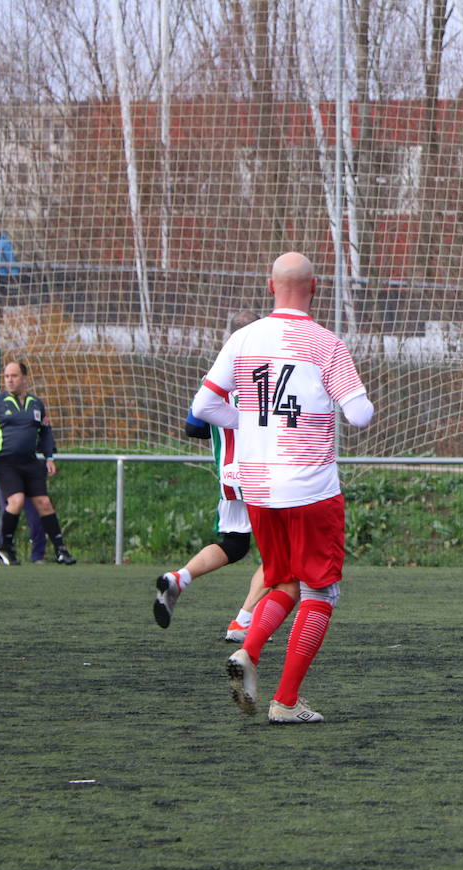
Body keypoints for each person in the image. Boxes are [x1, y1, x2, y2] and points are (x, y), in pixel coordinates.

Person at [191, 252, 373, 724]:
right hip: (311, 490)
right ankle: (286, 702)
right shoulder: (326, 344)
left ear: (271, 287)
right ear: (315, 287)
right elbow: (360, 414)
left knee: (282, 580)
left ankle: (248, 650)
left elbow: (204, 405)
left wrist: (248, 423)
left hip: (260, 491)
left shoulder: (243, 338)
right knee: (321, 592)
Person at [153, 310, 271, 642]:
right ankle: (243, 621)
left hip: (229, 475)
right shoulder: (265, 373)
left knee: (233, 545)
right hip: (260, 473)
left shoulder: (219, 374)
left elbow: (193, 425)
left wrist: (225, 432)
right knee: (280, 554)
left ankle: (180, 578)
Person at [0, 360, 76, 566]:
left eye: (14, 376)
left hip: (31, 462)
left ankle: (60, 550)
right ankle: (5, 547)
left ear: (25, 378)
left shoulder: (36, 404)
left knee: (44, 503)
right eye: (6, 376)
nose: (10, 380)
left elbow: (46, 432)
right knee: (17, 501)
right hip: (5, 462)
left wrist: (49, 457)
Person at [0, 492, 46, 562]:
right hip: (8, 483)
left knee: (35, 517)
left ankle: (38, 555)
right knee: (7, 516)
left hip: (30, 484)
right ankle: (4, 552)